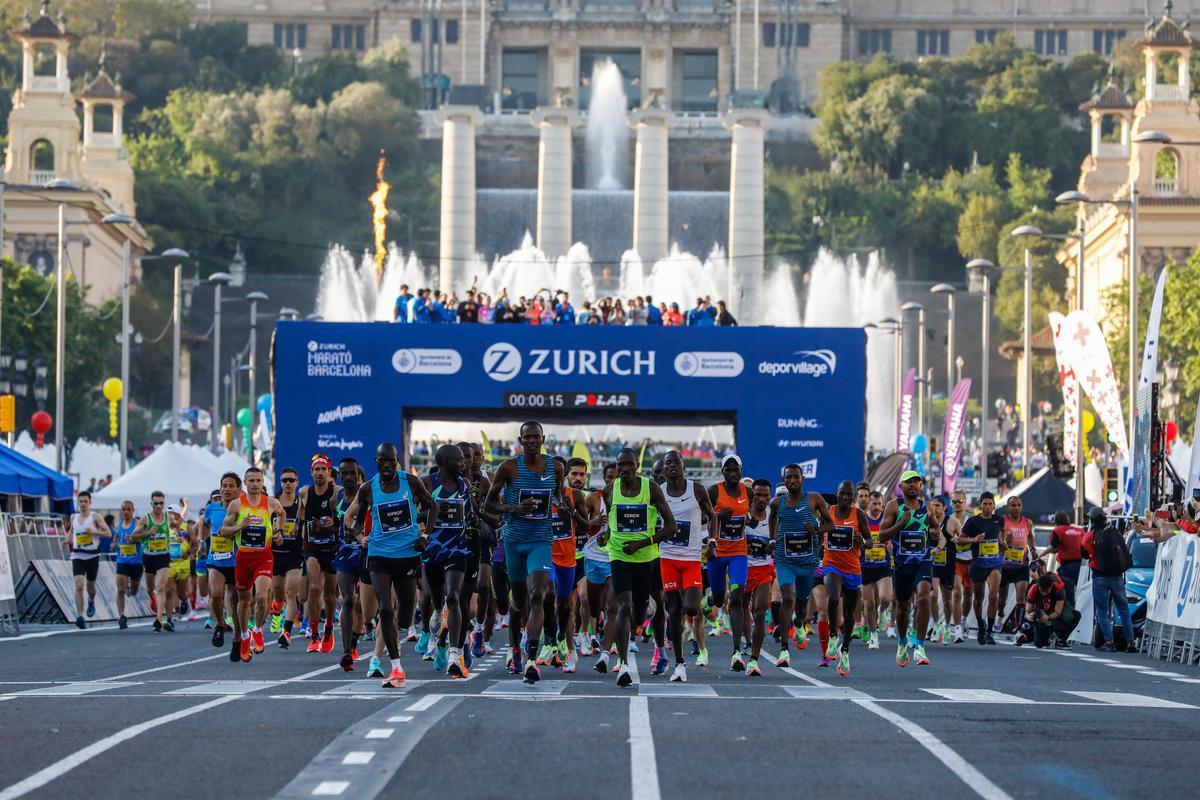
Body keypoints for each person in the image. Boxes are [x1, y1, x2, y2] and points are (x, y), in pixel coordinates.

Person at [344, 442, 438, 688]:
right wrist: (358, 536)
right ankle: (396, 667)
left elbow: (433, 507)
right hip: (379, 554)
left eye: (391, 461)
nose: (387, 465)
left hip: (407, 554)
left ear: (397, 461)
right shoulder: (368, 489)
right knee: (385, 608)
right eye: (382, 461)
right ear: (375, 461)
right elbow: (355, 520)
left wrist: (425, 536)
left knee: (405, 617)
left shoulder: (411, 482)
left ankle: (407, 629)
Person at [600, 447, 676, 687]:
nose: (624, 469)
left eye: (629, 465)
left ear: (637, 466)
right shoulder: (609, 491)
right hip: (619, 555)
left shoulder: (650, 488)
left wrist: (642, 543)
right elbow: (611, 525)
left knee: (639, 614)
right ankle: (623, 665)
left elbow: (671, 526)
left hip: (646, 558)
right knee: (622, 607)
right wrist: (606, 536)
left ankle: (647, 610)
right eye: (620, 465)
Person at [658, 450, 716, 682]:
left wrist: (712, 542)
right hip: (668, 558)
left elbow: (713, 516)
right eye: (668, 463)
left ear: (683, 467)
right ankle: (679, 663)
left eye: (676, 462)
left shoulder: (697, 489)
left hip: (692, 559)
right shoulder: (659, 492)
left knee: (691, 609)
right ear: (664, 469)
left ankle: (686, 602)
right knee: (674, 611)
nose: (672, 466)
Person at [422, 444, 478, 678]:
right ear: (445, 461)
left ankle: (455, 655)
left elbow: (471, 511)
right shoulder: (427, 483)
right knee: (437, 599)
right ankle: (436, 611)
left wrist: (478, 518)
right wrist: (429, 516)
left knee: (454, 597)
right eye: (460, 461)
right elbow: (413, 512)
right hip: (433, 550)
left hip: (457, 549)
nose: (465, 465)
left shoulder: (465, 485)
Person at [879, 472, 945, 667]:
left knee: (924, 597)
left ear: (921, 485)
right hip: (901, 564)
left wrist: (934, 533)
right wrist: (901, 523)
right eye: (908, 482)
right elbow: (882, 536)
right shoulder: (894, 506)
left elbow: (935, 530)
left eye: (916, 482)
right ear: (901, 485)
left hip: (923, 561)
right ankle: (902, 642)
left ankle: (919, 645)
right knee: (903, 606)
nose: (913, 485)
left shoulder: (927, 507)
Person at [769, 464, 832, 666]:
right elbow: (771, 519)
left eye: (795, 477)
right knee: (787, 596)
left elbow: (830, 524)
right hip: (784, 558)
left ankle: (798, 623)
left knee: (802, 602)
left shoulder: (814, 499)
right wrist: (773, 539)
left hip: (807, 560)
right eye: (788, 477)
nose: (792, 481)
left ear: (802, 478)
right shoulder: (777, 503)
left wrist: (817, 530)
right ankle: (785, 651)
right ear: (784, 480)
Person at [222, 467, 285, 663]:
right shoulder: (236, 505)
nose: (255, 484)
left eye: (258, 480)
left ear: (262, 481)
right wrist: (241, 526)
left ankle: (257, 630)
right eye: (252, 481)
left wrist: (278, 531)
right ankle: (243, 637)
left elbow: (281, 514)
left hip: (263, 556)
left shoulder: (271, 503)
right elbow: (224, 530)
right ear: (246, 483)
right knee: (243, 602)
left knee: (261, 596)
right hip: (243, 558)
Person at [821, 480, 871, 676]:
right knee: (833, 598)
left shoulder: (858, 514)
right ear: (837, 493)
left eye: (849, 495)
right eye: (842, 493)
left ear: (853, 497)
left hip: (852, 568)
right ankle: (833, 635)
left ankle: (845, 650)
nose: (845, 497)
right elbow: (820, 529)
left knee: (850, 612)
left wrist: (861, 541)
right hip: (831, 564)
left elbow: (869, 542)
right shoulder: (829, 511)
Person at [707, 455, 750, 672]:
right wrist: (718, 518)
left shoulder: (747, 492)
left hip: (738, 554)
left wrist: (751, 520)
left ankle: (736, 651)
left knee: (737, 596)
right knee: (717, 599)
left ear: (741, 470)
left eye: (736, 470)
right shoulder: (714, 491)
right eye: (728, 470)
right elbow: (704, 519)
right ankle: (709, 601)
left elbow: (751, 517)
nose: (733, 474)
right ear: (723, 471)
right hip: (716, 553)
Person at [300, 454, 342, 653]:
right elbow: (301, 517)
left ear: (329, 472)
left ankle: (329, 628)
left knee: (330, 596)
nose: (319, 473)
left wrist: (333, 524)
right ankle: (314, 633)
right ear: (311, 472)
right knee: (315, 588)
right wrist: (295, 530)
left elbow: (344, 519)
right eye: (316, 470)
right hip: (312, 548)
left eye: (323, 469)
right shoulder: (305, 493)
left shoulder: (337, 493)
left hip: (332, 548)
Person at [1081, 508, 1137, 653]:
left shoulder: (1090, 537)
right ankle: (1130, 641)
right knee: (1124, 609)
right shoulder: (1115, 532)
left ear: (1092, 521)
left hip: (1099, 576)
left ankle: (1110, 642)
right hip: (1117, 576)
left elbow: (1085, 553)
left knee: (1102, 610)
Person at [333, 459, 370, 671]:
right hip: (345, 555)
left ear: (358, 475)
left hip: (366, 553)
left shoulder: (367, 496)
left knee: (363, 606)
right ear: (339, 476)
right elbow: (335, 529)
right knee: (347, 600)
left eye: (352, 474)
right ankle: (346, 651)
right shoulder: (335, 500)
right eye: (344, 474)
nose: (348, 478)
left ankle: (355, 641)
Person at [585, 463, 621, 673]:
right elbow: (580, 526)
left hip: (614, 558)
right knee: (594, 606)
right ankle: (597, 622)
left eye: (616, 477)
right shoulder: (593, 499)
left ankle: (605, 654)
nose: (613, 481)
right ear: (603, 478)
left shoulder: (627, 500)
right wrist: (594, 522)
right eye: (609, 477)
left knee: (613, 607)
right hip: (593, 557)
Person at [962, 491, 1004, 645]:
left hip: (995, 564)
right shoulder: (973, 522)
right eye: (984, 504)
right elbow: (960, 540)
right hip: (978, 564)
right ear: (980, 505)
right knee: (978, 599)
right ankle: (981, 625)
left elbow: (1002, 538)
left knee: (993, 596)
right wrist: (974, 539)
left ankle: (989, 631)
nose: (987, 506)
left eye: (990, 503)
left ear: (994, 505)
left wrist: (1003, 543)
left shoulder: (999, 521)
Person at [743, 478, 775, 676]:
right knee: (740, 607)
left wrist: (772, 545)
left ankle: (754, 660)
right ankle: (746, 642)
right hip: (743, 568)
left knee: (760, 612)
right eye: (758, 495)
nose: (762, 499)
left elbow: (777, 540)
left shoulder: (772, 516)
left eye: (766, 495)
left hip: (763, 569)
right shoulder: (743, 514)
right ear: (752, 495)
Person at [67, 490, 112, 628]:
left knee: (90, 587)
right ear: (77, 503)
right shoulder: (73, 517)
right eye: (80, 501)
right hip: (77, 555)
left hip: (92, 556)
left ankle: (91, 601)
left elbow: (108, 533)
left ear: (90, 503)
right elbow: (72, 531)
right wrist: (67, 540)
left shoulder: (95, 517)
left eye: (85, 501)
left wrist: (94, 532)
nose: (83, 504)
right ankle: (80, 616)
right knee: (79, 585)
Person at [204, 475, 240, 645]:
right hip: (216, 560)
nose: (226, 489)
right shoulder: (211, 508)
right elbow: (204, 526)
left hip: (236, 561)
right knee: (216, 594)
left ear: (238, 489)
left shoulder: (243, 508)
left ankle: (238, 638)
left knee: (235, 600)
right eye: (224, 486)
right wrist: (202, 542)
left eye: (231, 486)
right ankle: (220, 623)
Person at [271, 466, 305, 647]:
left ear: (297, 482)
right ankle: (276, 609)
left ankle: (286, 632)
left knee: (291, 593)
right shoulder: (272, 503)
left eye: (291, 480)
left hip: (294, 555)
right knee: (278, 594)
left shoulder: (301, 504)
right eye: (285, 480)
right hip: (275, 555)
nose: (288, 484)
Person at [132, 490, 174, 632]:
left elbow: (177, 529)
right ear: (151, 504)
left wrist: (179, 536)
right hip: (149, 557)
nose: (158, 506)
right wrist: (148, 533)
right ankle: (152, 598)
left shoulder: (168, 518)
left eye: (161, 503)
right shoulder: (146, 519)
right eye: (155, 503)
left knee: (160, 587)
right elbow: (133, 537)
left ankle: (159, 618)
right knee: (151, 589)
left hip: (163, 556)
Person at [858, 490, 891, 649]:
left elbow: (895, 536)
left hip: (883, 566)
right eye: (874, 503)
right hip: (865, 566)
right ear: (868, 503)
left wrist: (892, 545)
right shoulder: (862, 519)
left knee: (885, 598)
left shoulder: (887, 519)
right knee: (868, 603)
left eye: (879, 504)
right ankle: (873, 635)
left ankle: (883, 612)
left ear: (883, 504)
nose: (877, 507)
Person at [1000, 496, 1035, 633]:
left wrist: (1032, 549)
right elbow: (997, 539)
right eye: (1013, 505)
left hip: (1021, 566)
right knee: (1001, 599)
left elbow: (1030, 536)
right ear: (1008, 507)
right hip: (1004, 565)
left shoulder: (1027, 522)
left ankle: (1020, 628)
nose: (1016, 508)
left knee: (1021, 598)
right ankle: (999, 612)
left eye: (1018, 505)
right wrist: (1004, 541)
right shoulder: (1002, 521)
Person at [930, 495, 963, 643]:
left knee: (947, 599)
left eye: (938, 505)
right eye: (933, 505)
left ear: (944, 507)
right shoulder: (928, 521)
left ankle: (947, 625)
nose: (935, 508)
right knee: (932, 595)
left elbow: (963, 539)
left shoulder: (952, 521)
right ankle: (936, 625)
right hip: (933, 564)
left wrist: (958, 540)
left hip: (949, 564)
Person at [1019, 570, 1079, 649]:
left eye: (1046, 591)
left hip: (1053, 617)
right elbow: (1027, 612)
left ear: (1051, 586)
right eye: (1042, 591)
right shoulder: (1033, 590)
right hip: (1043, 619)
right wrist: (1030, 616)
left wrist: (1048, 618)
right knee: (1039, 644)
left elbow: (1058, 612)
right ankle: (1044, 635)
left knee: (1075, 615)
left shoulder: (1059, 589)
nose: (1044, 593)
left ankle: (1061, 639)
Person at [112, 500, 143, 630]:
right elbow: (116, 540)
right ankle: (121, 616)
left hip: (136, 562)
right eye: (124, 509)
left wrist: (134, 538)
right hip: (122, 561)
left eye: (128, 509)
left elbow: (144, 538)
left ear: (133, 510)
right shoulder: (117, 525)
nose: (126, 512)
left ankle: (132, 586)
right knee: (120, 589)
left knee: (134, 591)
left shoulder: (138, 523)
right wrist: (113, 544)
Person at [1044, 510, 1084, 603]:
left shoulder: (1058, 530)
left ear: (1056, 520)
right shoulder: (1080, 530)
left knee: (1067, 593)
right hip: (1082, 566)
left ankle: (1070, 613)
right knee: (1080, 590)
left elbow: (1053, 547)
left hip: (1067, 566)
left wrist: (1040, 556)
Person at [949, 490, 972, 642]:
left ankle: (963, 620)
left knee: (969, 595)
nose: (957, 504)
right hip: (955, 560)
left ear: (965, 502)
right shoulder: (948, 520)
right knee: (957, 593)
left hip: (970, 560)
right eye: (954, 502)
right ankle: (957, 627)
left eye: (960, 501)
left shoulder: (971, 520)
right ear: (950, 503)